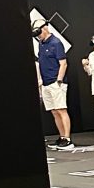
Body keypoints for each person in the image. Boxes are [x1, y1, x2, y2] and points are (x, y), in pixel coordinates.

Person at [33, 18, 72, 149]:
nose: (38, 36)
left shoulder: (56, 43)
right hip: (46, 82)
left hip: (56, 82)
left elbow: (63, 63)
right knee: (54, 111)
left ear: (45, 28)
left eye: (39, 32)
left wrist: (59, 80)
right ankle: (62, 137)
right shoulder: (41, 43)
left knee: (61, 110)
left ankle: (67, 139)